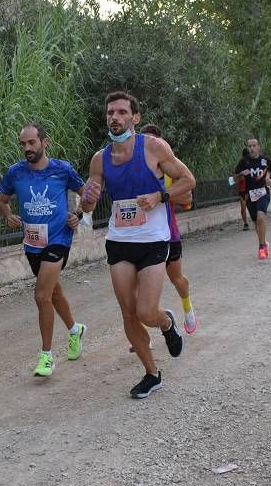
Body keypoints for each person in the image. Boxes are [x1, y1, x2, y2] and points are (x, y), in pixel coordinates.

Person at [79, 91, 193, 399]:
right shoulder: (100, 159)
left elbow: (188, 181)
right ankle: (152, 373)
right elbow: (89, 205)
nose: (114, 117)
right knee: (128, 313)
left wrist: (160, 197)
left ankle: (166, 322)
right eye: (110, 113)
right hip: (119, 241)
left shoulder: (153, 147)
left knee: (146, 312)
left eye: (121, 112)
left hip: (154, 240)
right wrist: (87, 201)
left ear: (135, 118)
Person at [0, 123, 87, 377]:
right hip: (33, 242)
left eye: (32, 143)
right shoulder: (15, 173)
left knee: (41, 296)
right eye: (23, 144)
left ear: (44, 142)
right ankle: (74, 330)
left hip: (59, 238)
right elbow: (2, 201)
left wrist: (78, 215)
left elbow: (87, 196)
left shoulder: (62, 169)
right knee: (53, 293)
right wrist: (8, 215)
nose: (27, 148)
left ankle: (46, 356)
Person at [141, 124, 197, 334]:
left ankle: (187, 308)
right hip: (141, 235)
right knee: (138, 288)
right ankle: (140, 335)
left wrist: (161, 196)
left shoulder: (169, 167)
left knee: (176, 279)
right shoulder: (134, 167)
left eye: (153, 141)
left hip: (169, 234)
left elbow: (187, 196)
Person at [236, 137, 271, 260]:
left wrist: (270, 179)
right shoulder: (243, 162)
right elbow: (234, 178)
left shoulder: (265, 161)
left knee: (260, 216)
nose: (251, 148)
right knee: (255, 223)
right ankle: (264, 242)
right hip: (250, 195)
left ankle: (261, 247)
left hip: (263, 192)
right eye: (249, 146)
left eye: (254, 146)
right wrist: (242, 174)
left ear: (258, 147)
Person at [233, 147, 251, 231]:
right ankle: (248, 222)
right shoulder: (246, 161)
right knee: (248, 206)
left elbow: (235, 175)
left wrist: (240, 174)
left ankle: (245, 223)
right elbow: (236, 175)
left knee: (244, 206)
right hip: (248, 188)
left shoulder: (241, 162)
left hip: (244, 189)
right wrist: (242, 174)